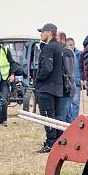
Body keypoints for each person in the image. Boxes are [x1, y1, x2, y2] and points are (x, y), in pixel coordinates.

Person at [34, 23, 65, 153]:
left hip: (46, 88)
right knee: (56, 118)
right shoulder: (59, 47)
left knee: (47, 117)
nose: (41, 34)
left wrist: (38, 79)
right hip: (57, 87)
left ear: (49, 32)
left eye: (42, 32)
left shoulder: (48, 48)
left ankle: (50, 144)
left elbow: (47, 68)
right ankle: (57, 142)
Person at [0, 34, 18, 127]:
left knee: (4, 99)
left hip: (4, 79)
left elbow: (12, 63)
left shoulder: (5, 50)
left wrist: (12, 74)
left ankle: (4, 120)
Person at [58, 31, 76, 123]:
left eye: (56, 38)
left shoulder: (67, 51)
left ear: (62, 39)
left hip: (66, 89)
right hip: (66, 88)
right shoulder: (64, 51)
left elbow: (69, 72)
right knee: (68, 115)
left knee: (63, 117)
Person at [65, 37, 83, 122]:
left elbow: (83, 67)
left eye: (71, 45)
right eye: (68, 45)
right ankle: (69, 121)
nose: (70, 47)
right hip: (68, 82)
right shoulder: (66, 53)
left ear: (74, 44)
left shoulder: (79, 54)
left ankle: (74, 121)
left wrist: (83, 79)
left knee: (75, 102)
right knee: (68, 103)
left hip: (77, 81)